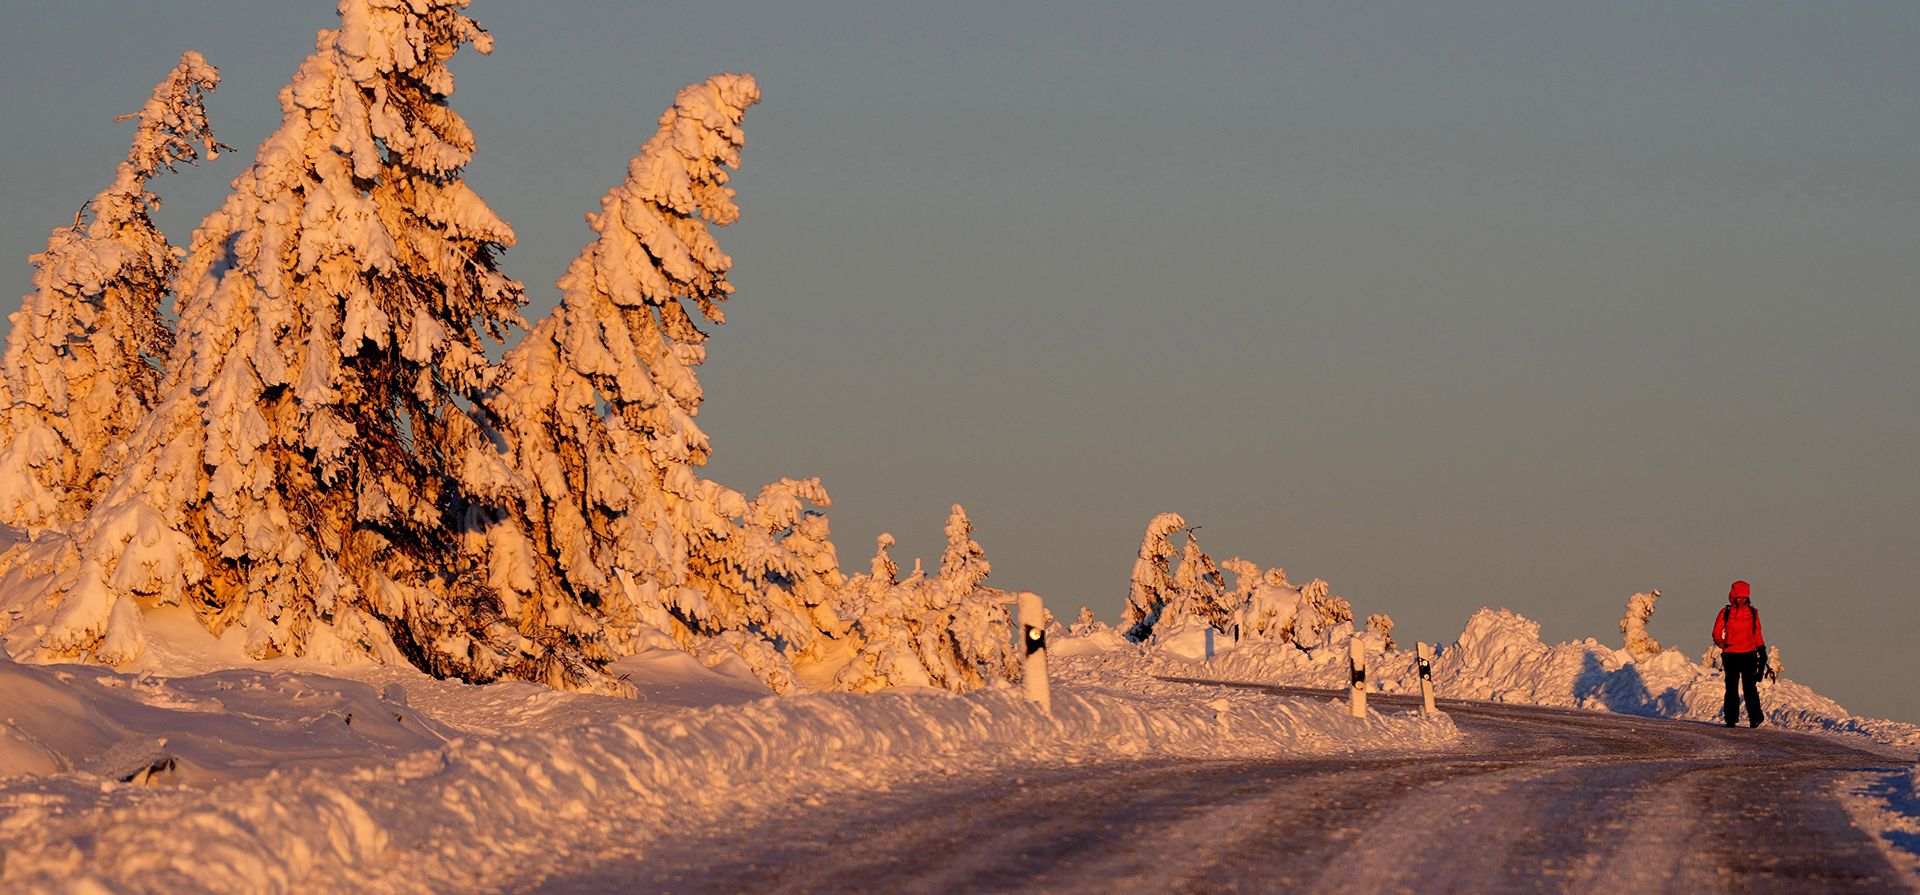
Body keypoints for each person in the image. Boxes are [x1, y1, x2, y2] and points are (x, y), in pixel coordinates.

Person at [1711, 580, 1767, 728]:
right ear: (1733, 597)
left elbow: (1757, 633)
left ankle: (1755, 717)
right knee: (1731, 687)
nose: (1741, 600)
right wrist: (1721, 643)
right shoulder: (1726, 612)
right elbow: (1717, 631)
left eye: (1744, 597)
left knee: (1750, 688)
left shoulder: (1753, 613)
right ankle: (1731, 718)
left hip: (1749, 654)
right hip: (1731, 655)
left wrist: (1761, 649)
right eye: (1739, 597)